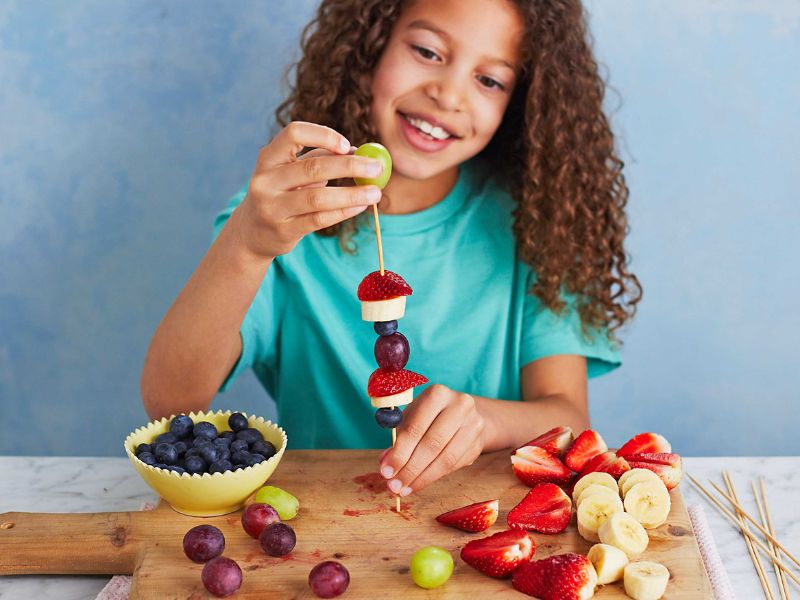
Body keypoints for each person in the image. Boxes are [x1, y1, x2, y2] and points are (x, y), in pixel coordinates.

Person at [141, 0, 642, 499]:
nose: (448, 94)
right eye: (427, 51)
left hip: (484, 518)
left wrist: (485, 421)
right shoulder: (275, 222)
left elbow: (569, 419)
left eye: (490, 80)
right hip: (322, 519)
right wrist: (247, 245)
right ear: (370, 45)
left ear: (522, 102)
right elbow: (172, 402)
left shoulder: (539, 224)